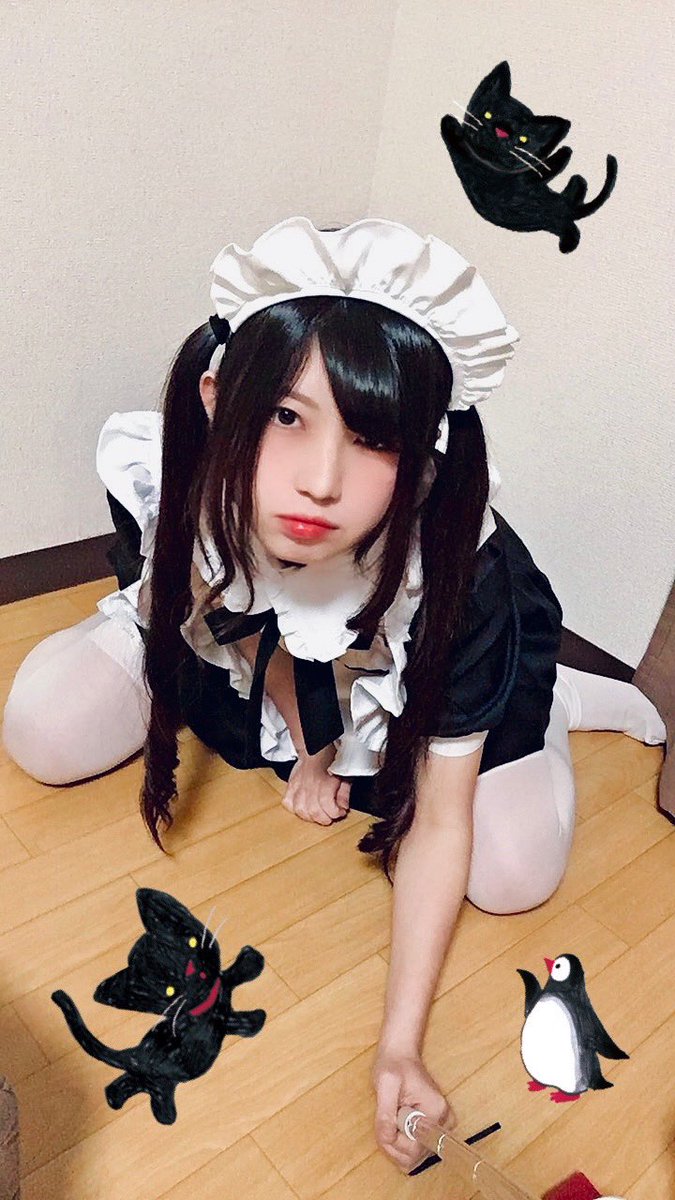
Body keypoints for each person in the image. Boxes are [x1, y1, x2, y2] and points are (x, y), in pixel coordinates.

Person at [2, 217, 666, 1174]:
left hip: (417, 671)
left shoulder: (456, 570)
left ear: (422, 448)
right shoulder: (182, 467)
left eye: (372, 437)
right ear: (220, 398)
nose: (319, 482)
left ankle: (545, 704)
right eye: (286, 415)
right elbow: (249, 621)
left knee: (511, 874)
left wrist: (399, 1047)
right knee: (43, 729)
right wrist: (306, 739)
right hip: (253, 651)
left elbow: (438, 824)